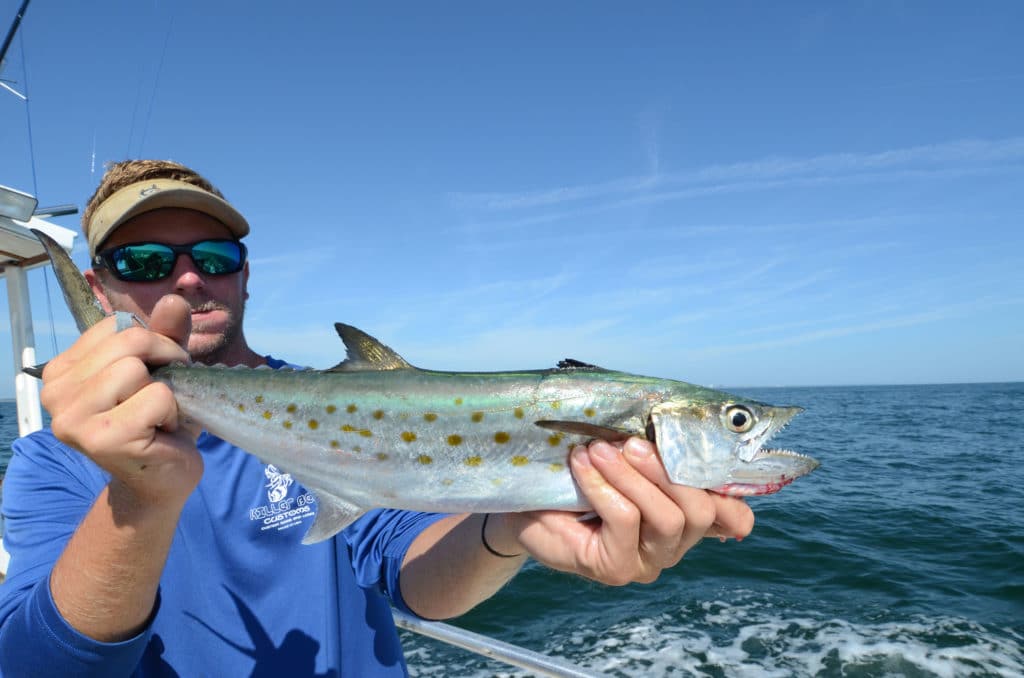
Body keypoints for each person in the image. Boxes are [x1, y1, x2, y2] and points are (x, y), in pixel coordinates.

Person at [0, 160, 754, 676]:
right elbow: (37, 664)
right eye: (143, 263)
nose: (188, 276)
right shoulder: (53, 461)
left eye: (214, 254)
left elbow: (413, 575)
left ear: (245, 274)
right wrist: (138, 496)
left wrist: (512, 524)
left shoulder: (355, 418)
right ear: (99, 290)